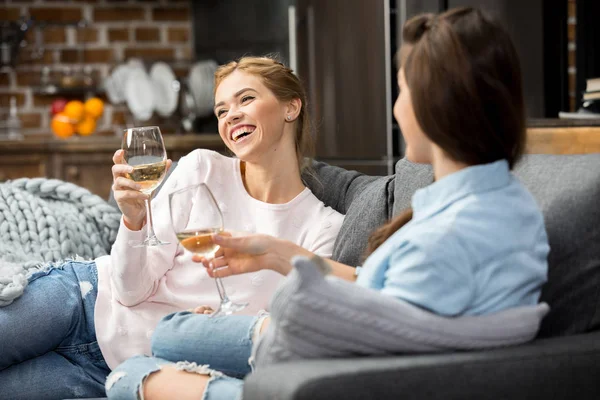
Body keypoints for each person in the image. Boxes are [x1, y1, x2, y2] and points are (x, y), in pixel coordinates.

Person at [106, 6, 550, 400]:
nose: (396, 110)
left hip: (320, 356)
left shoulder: (452, 233)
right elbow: (387, 297)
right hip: (326, 345)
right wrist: (276, 252)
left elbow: (378, 329)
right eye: (222, 109)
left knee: (148, 357)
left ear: (439, 103)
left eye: (401, 91)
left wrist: (270, 316)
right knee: (155, 354)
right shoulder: (497, 204)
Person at [0, 57, 344, 400]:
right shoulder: (201, 169)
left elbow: (284, 335)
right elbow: (129, 290)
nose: (231, 115)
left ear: (291, 107)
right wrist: (134, 220)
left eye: (246, 99)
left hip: (124, 373)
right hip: (82, 302)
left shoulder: (323, 228)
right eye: (221, 110)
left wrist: (212, 332)